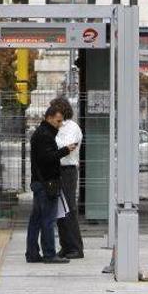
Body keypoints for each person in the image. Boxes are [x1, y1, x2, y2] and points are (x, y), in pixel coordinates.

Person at [27, 105, 76, 264]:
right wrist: (65, 150)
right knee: (48, 220)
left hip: (39, 182)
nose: (60, 124)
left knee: (36, 220)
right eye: (58, 121)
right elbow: (47, 158)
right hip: (46, 183)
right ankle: (49, 254)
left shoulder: (41, 133)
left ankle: (32, 253)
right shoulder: (45, 135)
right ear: (49, 118)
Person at [51, 97, 84, 259]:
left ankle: (76, 247)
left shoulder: (71, 127)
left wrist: (51, 138)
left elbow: (66, 147)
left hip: (68, 170)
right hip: (57, 169)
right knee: (60, 210)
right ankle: (65, 246)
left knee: (69, 208)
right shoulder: (55, 127)